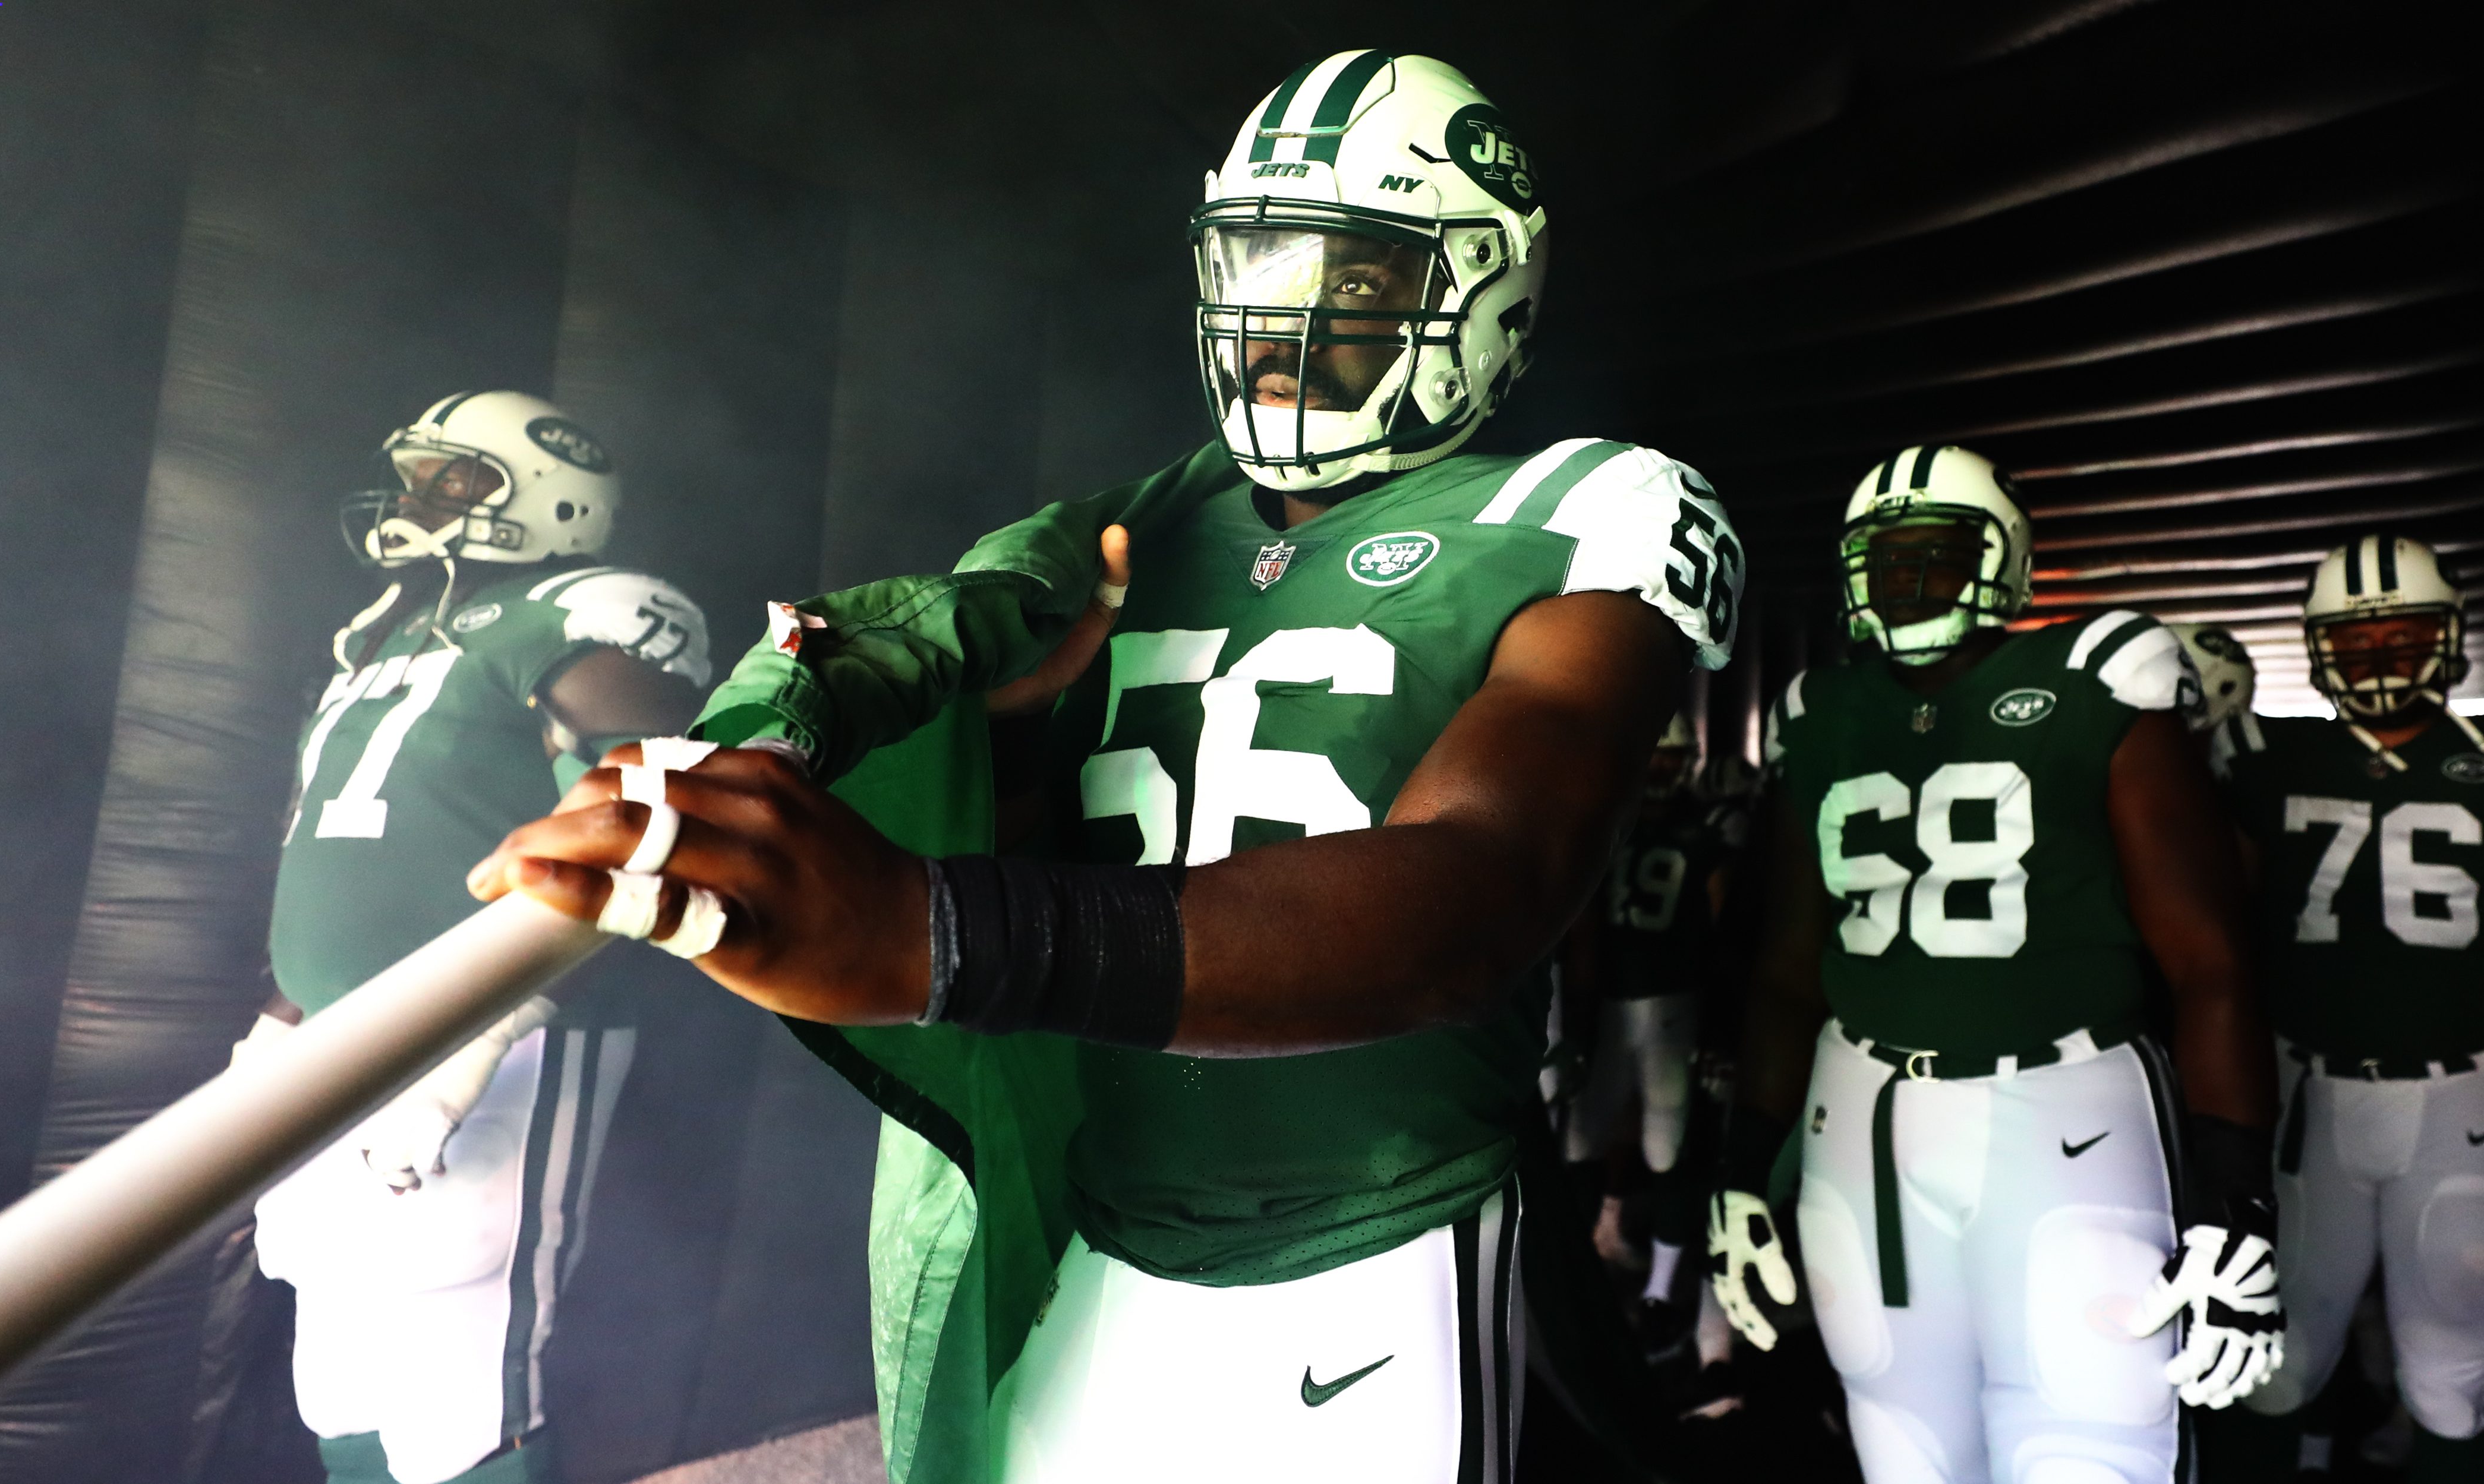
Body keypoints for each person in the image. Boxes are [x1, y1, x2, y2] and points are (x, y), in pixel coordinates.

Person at [468, 50, 1742, 1484]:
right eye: (1256, 263)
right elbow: (932, 652)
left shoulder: (1591, 506)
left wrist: (928, 929)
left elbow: (1479, 891)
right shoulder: (1127, 523)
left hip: (1371, 1235)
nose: (1284, 318)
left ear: (1485, 282)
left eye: (1360, 277)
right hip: (1101, 1222)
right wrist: (787, 728)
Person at [1707, 444, 2284, 1483]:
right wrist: (1746, 1162)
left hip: (2065, 1099)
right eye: (1884, 562)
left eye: (1936, 554)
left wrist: (2235, 1191)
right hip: (1865, 1112)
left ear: (2004, 561)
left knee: (2094, 1438)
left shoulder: (2095, 674)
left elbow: (2210, 958)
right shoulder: (1821, 712)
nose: (1909, 581)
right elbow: (1790, 963)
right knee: (1903, 1439)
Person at [235, 391, 711, 1484]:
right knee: (340, 1361)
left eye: (456, 478)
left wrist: (484, 1035)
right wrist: (279, 1020)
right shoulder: (390, 632)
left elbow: (643, 836)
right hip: (333, 1038)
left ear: (551, 495)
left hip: (501, 1035)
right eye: (419, 474)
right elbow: (342, 856)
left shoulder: (585, 609)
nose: (416, 498)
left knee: (460, 1360)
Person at [2218, 533, 2484, 1482]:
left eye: (2400, 636)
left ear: (2447, 638)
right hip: (2309, 1094)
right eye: (2355, 640)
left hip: (2460, 1097)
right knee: (2274, 1360)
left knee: (2452, 1369)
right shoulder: (2265, 754)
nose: (2376, 658)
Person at [1556, 714, 1734, 1333]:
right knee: (1660, 1147)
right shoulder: (1698, 832)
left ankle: (1607, 1281)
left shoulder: (1606, 825)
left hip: (1619, 1003)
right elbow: (1720, 930)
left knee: (1599, 1140)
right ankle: (1648, 1286)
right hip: (1663, 1007)